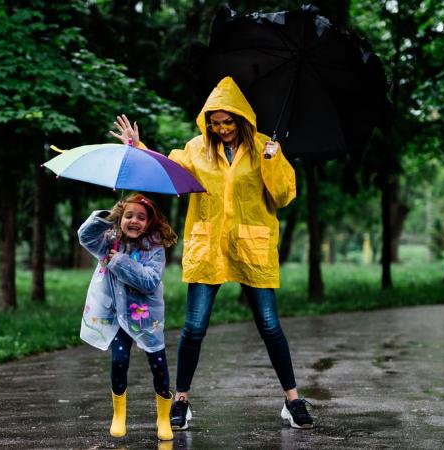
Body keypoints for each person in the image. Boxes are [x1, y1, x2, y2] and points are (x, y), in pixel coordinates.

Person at [109, 76, 314, 430]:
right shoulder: (196, 150)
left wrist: (273, 161)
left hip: (252, 247)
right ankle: (181, 401)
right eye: (215, 123)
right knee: (194, 327)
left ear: (242, 119)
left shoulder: (266, 147)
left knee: (269, 326)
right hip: (209, 248)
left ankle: (293, 400)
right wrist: (139, 148)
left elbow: (282, 196)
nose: (222, 129)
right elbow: (168, 173)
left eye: (228, 122)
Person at [78, 193, 179, 440]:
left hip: (146, 317)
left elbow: (150, 280)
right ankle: (119, 414)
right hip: (117, 316)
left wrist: (119, 261)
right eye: (129, 216)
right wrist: (106, 218)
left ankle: (163, 416)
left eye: (141, 218)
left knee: (158, 365)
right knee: (119, 360)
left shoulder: (154, 247)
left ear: (149, 223)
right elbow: (85, 236)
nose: (134, 221)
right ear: (120, 218)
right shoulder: (108, 240)